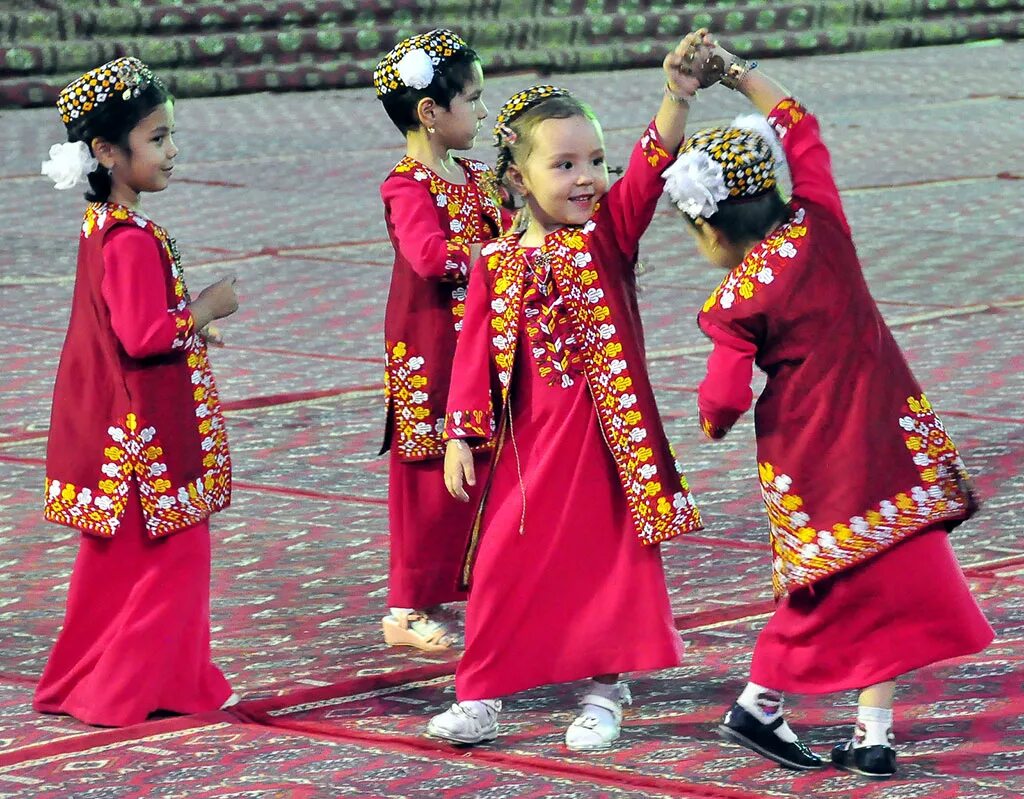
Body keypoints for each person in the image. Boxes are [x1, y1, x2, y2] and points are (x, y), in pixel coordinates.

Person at [662, 40, 994, 778]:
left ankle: (768, 705)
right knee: (899, 570)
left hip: (813, 456)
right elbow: (798, 123)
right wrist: (738, 73)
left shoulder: (737, 297)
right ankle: (866, 733)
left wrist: (714, 420)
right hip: (885, 437)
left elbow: (721, 395)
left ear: (710, 230)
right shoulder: (821, 219)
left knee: (833, 583)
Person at [426, 30, 712, 752]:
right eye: (564, 164)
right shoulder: (495, 259)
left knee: (607, 569)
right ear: (520, 179)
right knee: (498, 568)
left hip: (607, 447)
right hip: (527, 446)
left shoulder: (607, 236)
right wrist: (461, 432)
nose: (587, 177)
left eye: (595, 162)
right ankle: (482, 692)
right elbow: (472, 352)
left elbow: (648, 171)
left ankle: (602, 691)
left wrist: (676, 97)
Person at [34, 57, 241, 726]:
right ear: (105, 150)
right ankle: (122, 690)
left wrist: (186, 323)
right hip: (146, 442)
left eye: (170, 135)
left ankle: (91, 679)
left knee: (113, 575)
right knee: (171, 567)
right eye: (157, 138)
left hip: (122, 435)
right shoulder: (127, 237)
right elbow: (144, 334)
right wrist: (205, 309)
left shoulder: (107, 226)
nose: (172, 151)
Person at [374, 29, 512, 651]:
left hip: (481, 346)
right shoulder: (407, 185)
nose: (484, 112)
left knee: (486, 465)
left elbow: (514, 222)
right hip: (430, 351)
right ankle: (405, 607)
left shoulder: (478, 175)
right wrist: (500, 252)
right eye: (474, 100)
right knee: (426, 477)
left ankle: (479, 582)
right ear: (430, 113)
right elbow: (429, 258)